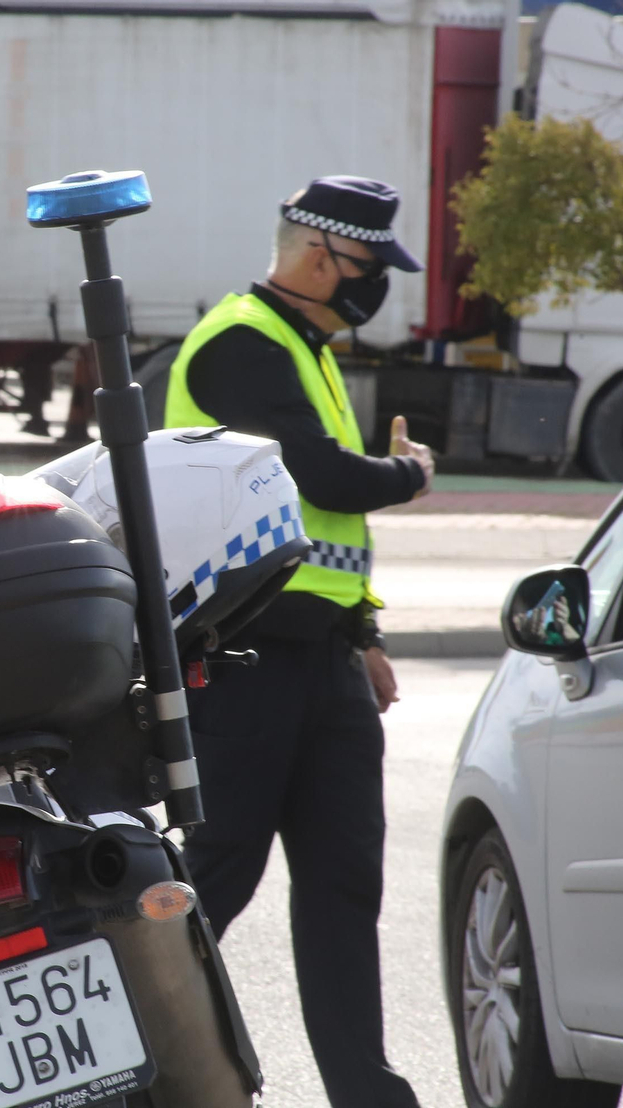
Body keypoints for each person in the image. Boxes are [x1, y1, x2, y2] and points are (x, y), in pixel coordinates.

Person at [162, 176, 437, 1108]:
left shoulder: (304, 346)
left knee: (344, 889)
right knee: (210, 887)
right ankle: (138, 1078)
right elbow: (322, 477)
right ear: (321, 256)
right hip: (240, 663)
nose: (375, 287)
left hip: (322, 666)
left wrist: (361, 632)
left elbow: (319, 537)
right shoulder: (241, 343)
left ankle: (369, 1095)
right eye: (369, 267)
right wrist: (406, 474)